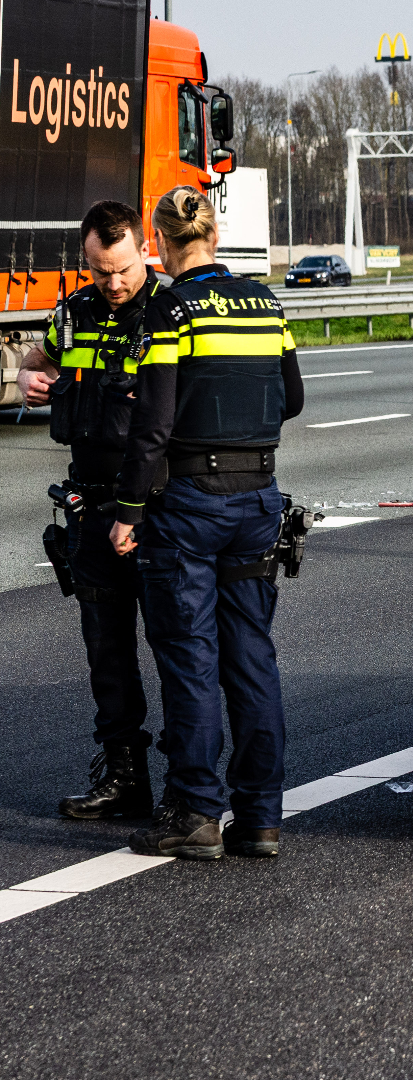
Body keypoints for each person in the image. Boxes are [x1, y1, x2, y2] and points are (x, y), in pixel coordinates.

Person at [109, 186, 304, 860]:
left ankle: (194, 811)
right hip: (257, 495)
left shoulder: (170, 309)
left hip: (189, 501)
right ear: (215, 236)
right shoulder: (265, 302)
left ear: (160, 244)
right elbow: (294, 397)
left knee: (191, 656)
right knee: (252, 656)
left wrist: (128, 510)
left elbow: (153, 424)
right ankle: (261, 820)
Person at [13, 201, 168, 820]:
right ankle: (124, 778)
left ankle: (188, 785)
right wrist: (31, 379)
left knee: (177, 649)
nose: (115, 283)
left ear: (144, 251)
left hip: (156, 511)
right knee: (106, 651)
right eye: (102, 271)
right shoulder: (74, 313)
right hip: (91, 507)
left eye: (124, 269)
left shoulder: (168, 310)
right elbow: (35, 362)